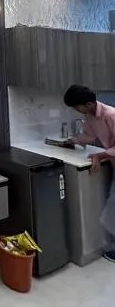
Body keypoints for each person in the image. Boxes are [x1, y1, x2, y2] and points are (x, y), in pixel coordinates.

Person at [63, 84, 115, 263]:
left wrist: (100, 155)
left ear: (89, 104)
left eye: (77, 107)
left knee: (113, 207)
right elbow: (89, 135)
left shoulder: (110, 115)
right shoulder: (89, 115)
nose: (76, 111)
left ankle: (113, 249)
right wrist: (72, 141)